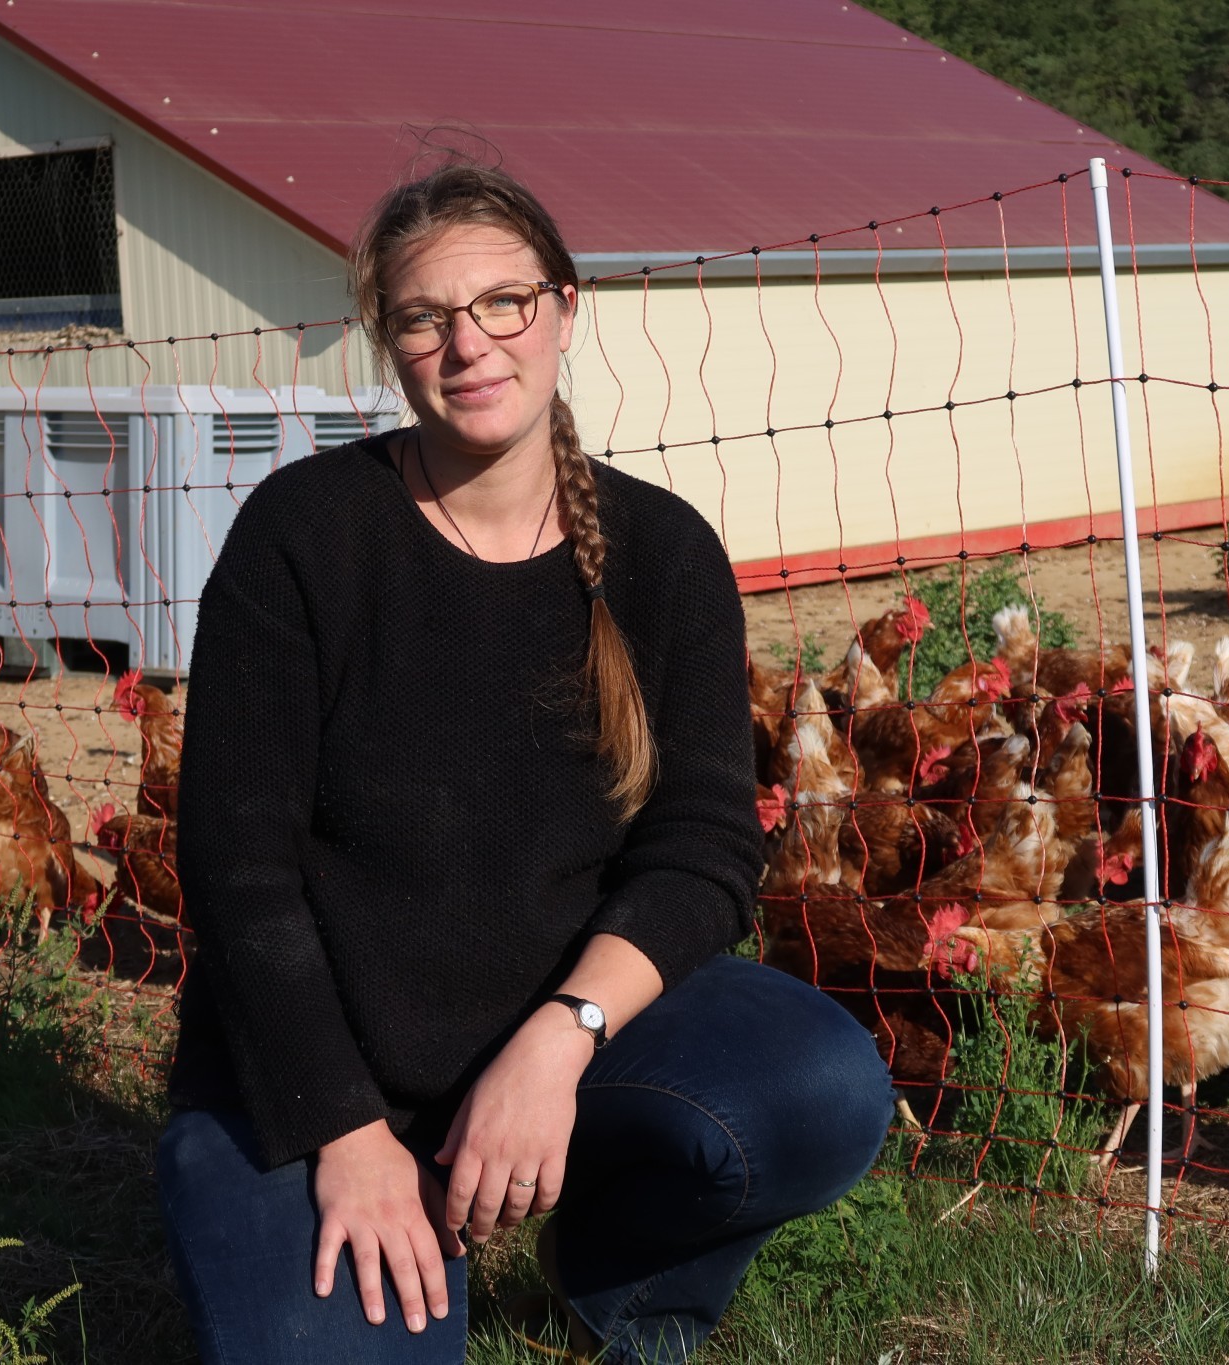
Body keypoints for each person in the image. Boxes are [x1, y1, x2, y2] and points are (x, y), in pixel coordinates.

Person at [155, 160, 893, 1364]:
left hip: (561, 1035)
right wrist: (342, 1133)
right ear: (386, 344)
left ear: (560, 309)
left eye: (501, 302)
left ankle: (617, 1283)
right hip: (321, 1068)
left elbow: (704, 844)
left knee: (815, 1088)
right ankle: (369, 1208)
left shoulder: (661, 551)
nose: (468, 344)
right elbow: (238, 867)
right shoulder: (305, 537)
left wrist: (558, 1043)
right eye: (422, 317)